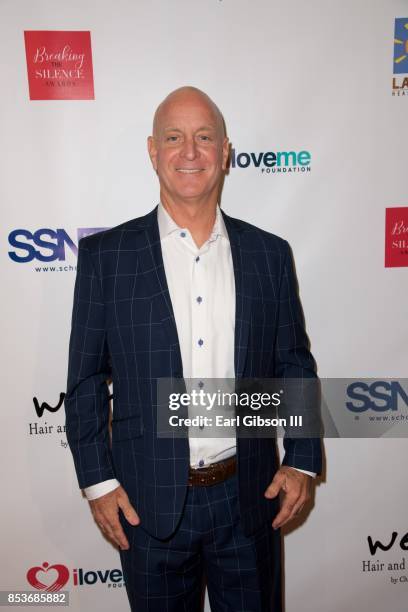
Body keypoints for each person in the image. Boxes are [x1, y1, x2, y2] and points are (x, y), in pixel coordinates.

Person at [64, 86, 322, 611]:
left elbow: (292, 362)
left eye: (204, 137)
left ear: (226, 151)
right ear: (153, 151)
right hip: (145, 506)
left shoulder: (269, 254)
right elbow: (86, 380)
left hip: (248, 500)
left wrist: (301, 458)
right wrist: (96, 481)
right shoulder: (106, 258)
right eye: (174, 138)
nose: (190, 152)